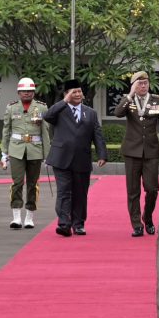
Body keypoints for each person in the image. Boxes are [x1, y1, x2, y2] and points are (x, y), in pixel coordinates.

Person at [43, 79, 108, 237]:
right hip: (61, 158)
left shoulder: (90, 113)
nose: (78, 94)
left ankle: (78, 224)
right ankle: (64, 224)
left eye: (79, 91)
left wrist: (102, 154)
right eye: (74, 92)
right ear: (66, 94)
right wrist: (64, 101)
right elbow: (47, 115)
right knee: (64, 192)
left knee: (80, 193)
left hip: (82, 159)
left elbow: (97, 135)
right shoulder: (59, 110)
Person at [114, 71, 159, 237]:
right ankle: (137, 224)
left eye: (145, 83)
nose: (143, 86)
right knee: (133, 191)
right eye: (139, 83)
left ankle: (148, 216)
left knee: (152, 188)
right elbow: (118, 113)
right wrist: (130, 95)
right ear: (134, 86)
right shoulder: (128, 100)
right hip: (131, 151)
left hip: (151, 151)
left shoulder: (158, 101)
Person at [0, 77, 50, 230]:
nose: (27, 93)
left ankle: (29, 216)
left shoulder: (41, 108)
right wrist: (4, 153)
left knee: (32, 184)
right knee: (17, 182)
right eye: (24, 91)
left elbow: (45, 131)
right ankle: (16, 217)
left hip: (35, 149)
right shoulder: (11, 108)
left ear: (34, 92)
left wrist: (47, 155)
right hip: (16, 149)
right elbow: (6, 131)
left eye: (29, 91)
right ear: (18, 92)